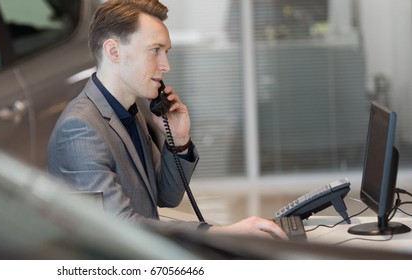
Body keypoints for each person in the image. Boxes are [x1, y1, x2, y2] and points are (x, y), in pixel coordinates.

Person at [47, 0, 288, 240]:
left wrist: (179, 141)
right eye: (155, 50)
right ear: (113, 51)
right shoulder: (80, 128)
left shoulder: (129, 113)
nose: (166, 66)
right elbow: (118, 227)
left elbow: (166, 195)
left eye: (166, 52)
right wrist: (218, 233)